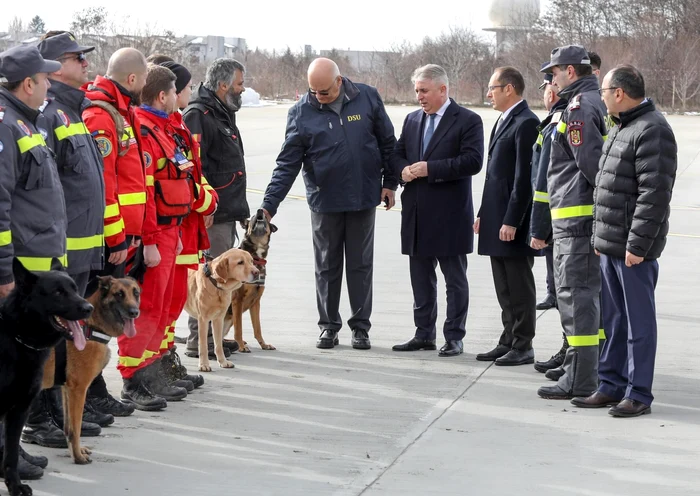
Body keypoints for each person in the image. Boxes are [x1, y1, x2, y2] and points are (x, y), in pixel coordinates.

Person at [261, 57, 397, 350]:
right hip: (325, 201)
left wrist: (390, 183)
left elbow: (388, 143)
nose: (318, 97)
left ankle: (360, 327)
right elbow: (287, 164)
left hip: (362, 197)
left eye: (324, 91)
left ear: (339, 81)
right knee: (326, 265)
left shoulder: (367, 97)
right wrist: (269, 204)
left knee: (360, 265)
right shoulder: (301, 112)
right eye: (313, 91)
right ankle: (328, 326)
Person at [572, 65, 677, 417]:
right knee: (614, 322)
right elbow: (607, 188)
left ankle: (638, 394)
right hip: (611, 244)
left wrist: (637, 246)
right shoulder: (622, 127)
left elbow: (654, 195)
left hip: (633, 250)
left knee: (638, 324)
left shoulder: (652, 130)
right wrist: (600, 237)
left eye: (603, 92)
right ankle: (611, 385)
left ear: (619, 93)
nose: (601, 99)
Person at [0, 43, 65, 480]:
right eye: (44, 79)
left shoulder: (26, 120)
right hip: (18, 270)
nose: (49, 84)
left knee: (21, 373)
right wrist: (4, 272)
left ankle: (12, 451)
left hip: (35, 264)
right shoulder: (7, 126)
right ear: (28, 84)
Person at [118, 65, 197, 410]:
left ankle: (151, 372)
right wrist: (149, 237)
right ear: (162, 95)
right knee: (147, 306)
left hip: (170, 228)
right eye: (176, 90)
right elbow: (146, 188)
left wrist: (177, 230)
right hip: (156, 230)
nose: (180, 96)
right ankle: (133, 379)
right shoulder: (146, 129)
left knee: (163, 305)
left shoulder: (163, 128)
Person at [391, 64, 484, 357]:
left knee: (454, 280)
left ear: (442, 89)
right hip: (416, 214)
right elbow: (396, 154)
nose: (419, 96)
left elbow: (472, 161)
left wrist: (430, 169)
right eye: (417, 90)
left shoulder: (468, 120)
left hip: (450, 215)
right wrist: (402, 171)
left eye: (424, 90)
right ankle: (423, 334)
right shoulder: (412, 120)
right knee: (420, 278)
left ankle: (454, 336)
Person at [536, 45, 609, 400]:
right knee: (586, 299)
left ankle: (579, 379)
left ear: (570, 71)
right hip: (582, 220)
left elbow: (591, 164)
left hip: (576, 221)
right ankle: (588, 371)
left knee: (575, 297)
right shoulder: (595, 102)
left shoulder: (580, 108)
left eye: (554, 72)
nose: (551, 79)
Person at [81, 47, 148, 413]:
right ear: (133, 79)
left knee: (106, 324)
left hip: (124, 237)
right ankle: (90, 394)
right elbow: (104, 184)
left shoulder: (121, 111)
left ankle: (96, 391)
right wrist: (117, 236)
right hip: (110, 239)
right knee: (95, 320)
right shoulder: (102, 116)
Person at [156, 60, 218, 390]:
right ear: (171, 92)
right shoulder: (160, 127)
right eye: (188, 87)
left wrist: (206, 195)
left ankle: (165, 362)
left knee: (173, 303)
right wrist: (201, 197)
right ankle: (153, 371)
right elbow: (167, 182)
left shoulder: (176, 124)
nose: (191, 92)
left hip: (185, 229)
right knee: (162, 306)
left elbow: (192, 170)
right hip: (171, 228)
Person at [182, 58, 249, 359]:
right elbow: (195, 168)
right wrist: (204, 206)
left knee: (219, 283)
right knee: (208, 280)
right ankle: (201, 341)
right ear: (223, 86)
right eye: (238, 84)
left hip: (226, 210)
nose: (242, 89)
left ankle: (214, 338)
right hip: (212, 214)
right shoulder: (199, 115)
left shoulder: (222, 112)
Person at [474, 67, 540, 366]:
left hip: (512, 221)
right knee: (503, 285)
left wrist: (512, 220)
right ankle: (508, 339)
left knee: (518, 285)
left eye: (493, 87)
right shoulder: (504, 120)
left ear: (509, 88)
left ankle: (523, 344)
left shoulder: (526, 123)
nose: (489, 93)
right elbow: (495, 176)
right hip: (496, 217)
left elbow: (523, 179)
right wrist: (482, 215)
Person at [530, 68, 569, 374]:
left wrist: (539, 228)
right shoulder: (557, 119)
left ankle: (575, 357)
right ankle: (572, 354)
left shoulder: (560, 120)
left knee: (574, 298)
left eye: (545, 86)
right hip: (564, 222)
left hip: (565, 223)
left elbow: (545, 180)